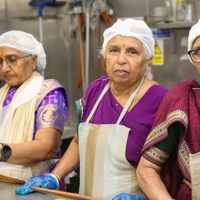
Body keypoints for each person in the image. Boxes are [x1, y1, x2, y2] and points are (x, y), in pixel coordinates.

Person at [16, 18, 168, 199]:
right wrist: (55, 176)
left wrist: (145, 197)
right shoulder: (96, 90)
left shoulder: (161, 99)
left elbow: (170, 166)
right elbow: (79, 141)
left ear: (147, 60)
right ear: (105, 57)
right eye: (114, 50)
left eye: (132, 52)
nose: (121, 59)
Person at [115, 19, 200, 200]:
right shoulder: (183, 98)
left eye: (131, 52)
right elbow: (147, 168)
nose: (121, 60)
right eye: (199, 51)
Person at [0, 30, 68, 191]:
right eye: (1, 61)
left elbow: (46, 148)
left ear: (33, 60)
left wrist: (2, 152)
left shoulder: (49, 93)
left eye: (12, 60)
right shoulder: (3, 94)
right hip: (4, 181)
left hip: (36, 187)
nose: (4, 68)